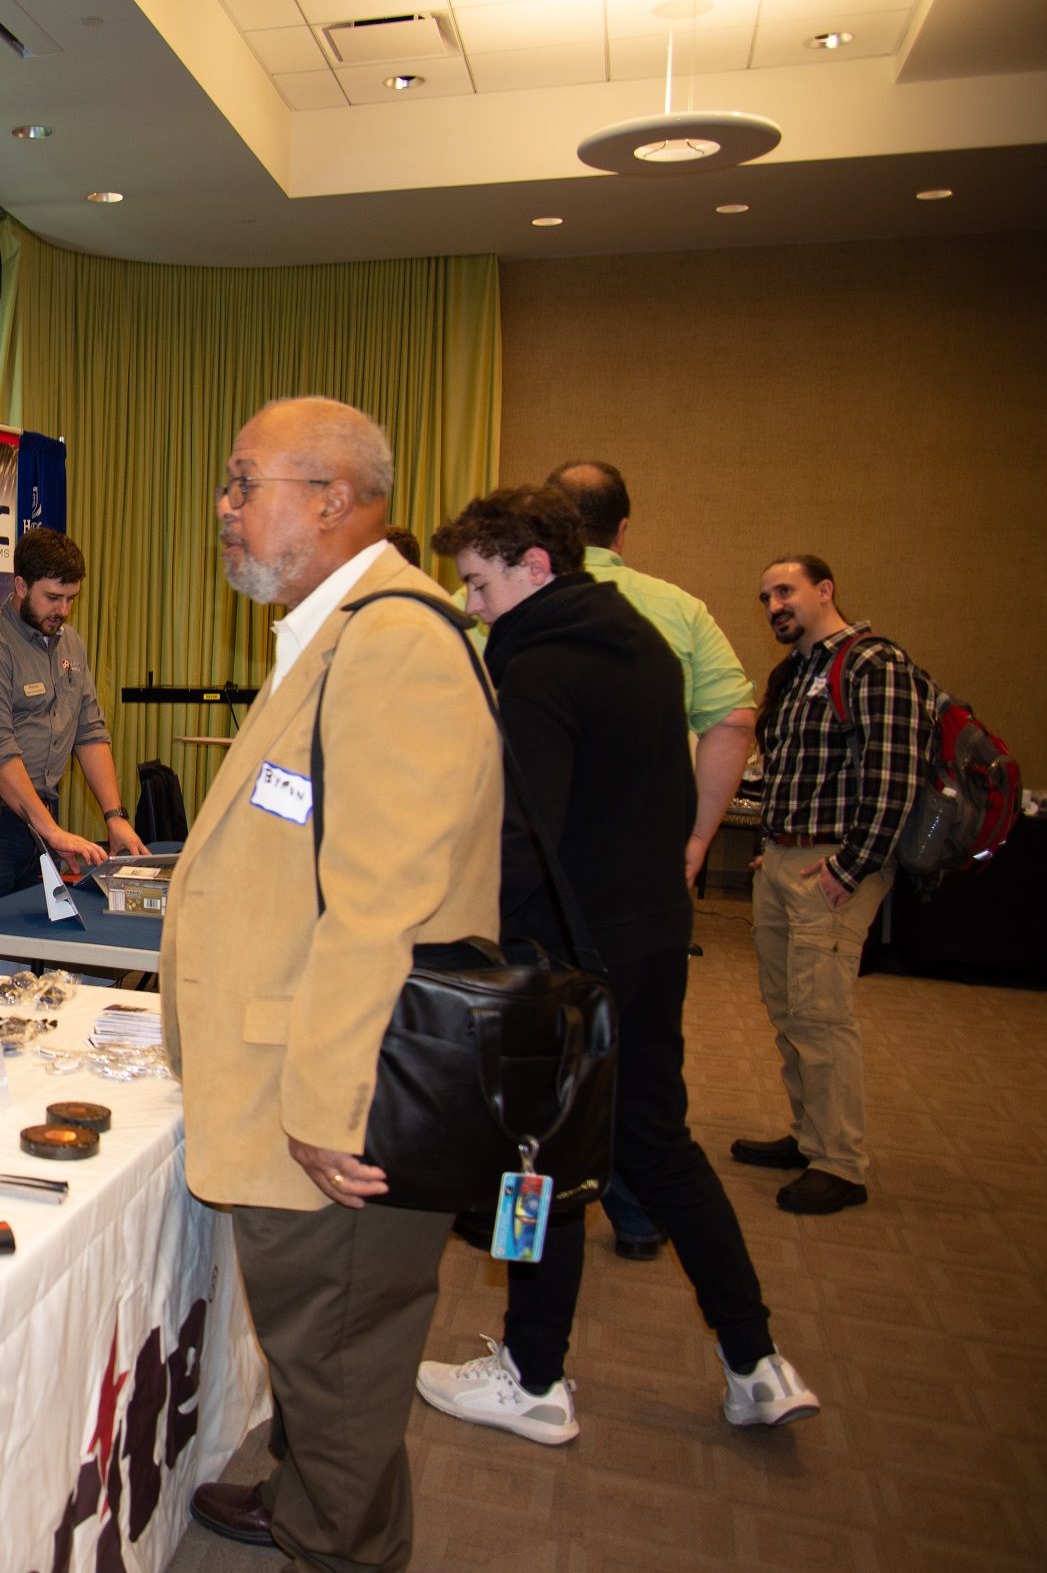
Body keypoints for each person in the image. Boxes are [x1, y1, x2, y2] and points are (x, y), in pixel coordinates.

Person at [167, 396, 502, 1573]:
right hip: (302, 1071)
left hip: (336, 1103)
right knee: (326, 1362)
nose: (223, 505)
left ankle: (336, 1540)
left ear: (333, 499)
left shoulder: (393, 643)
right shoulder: (333, 633)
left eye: (242, 479)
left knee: (344, 1365)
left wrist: (324, 1101)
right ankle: (308, 1495)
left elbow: (380, 903)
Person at [415, 487, 818, 1449]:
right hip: (649, 936)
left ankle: (532, 1376)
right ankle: (755, 1359)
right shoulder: (639, 640)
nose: (470, 605)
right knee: (656, 1142)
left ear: (534, 567)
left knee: (536, 1161)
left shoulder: (537, 669)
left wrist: (451, 937)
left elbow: (520, 836)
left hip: (561, 957)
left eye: (479, 583)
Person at [546, 460, 761, 1261]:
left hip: (543, 874)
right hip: (644, 880)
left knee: (547, 1057)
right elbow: (732, 720)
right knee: (639, 1056)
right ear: (624, 528)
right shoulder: (677, 609)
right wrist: (696, 838)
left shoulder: (509, 605)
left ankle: (540, 1238)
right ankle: (636, 1212)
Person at [734, 554, 928, 1215]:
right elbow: (795, 772)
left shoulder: (874, 664)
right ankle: (808, 1135)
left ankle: (839, 1163)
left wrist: (850, 866)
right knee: (788, 1008)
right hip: (783, 859)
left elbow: (894, 777)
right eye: (765, 597)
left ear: (825, 590)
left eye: (785, 591)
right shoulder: (795, 672)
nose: (773, 605)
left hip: (836, 867)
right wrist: (775, 848)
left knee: (821, 1014)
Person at [0, 526, 147, 915]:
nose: (63, 610)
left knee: (30, 942)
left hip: (38, 819)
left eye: (71, 599)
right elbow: (0, 756)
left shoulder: (70, 643)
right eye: (53, 598)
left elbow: (89, 733)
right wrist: (53, 832)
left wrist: (115, 817)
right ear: (20, 585)